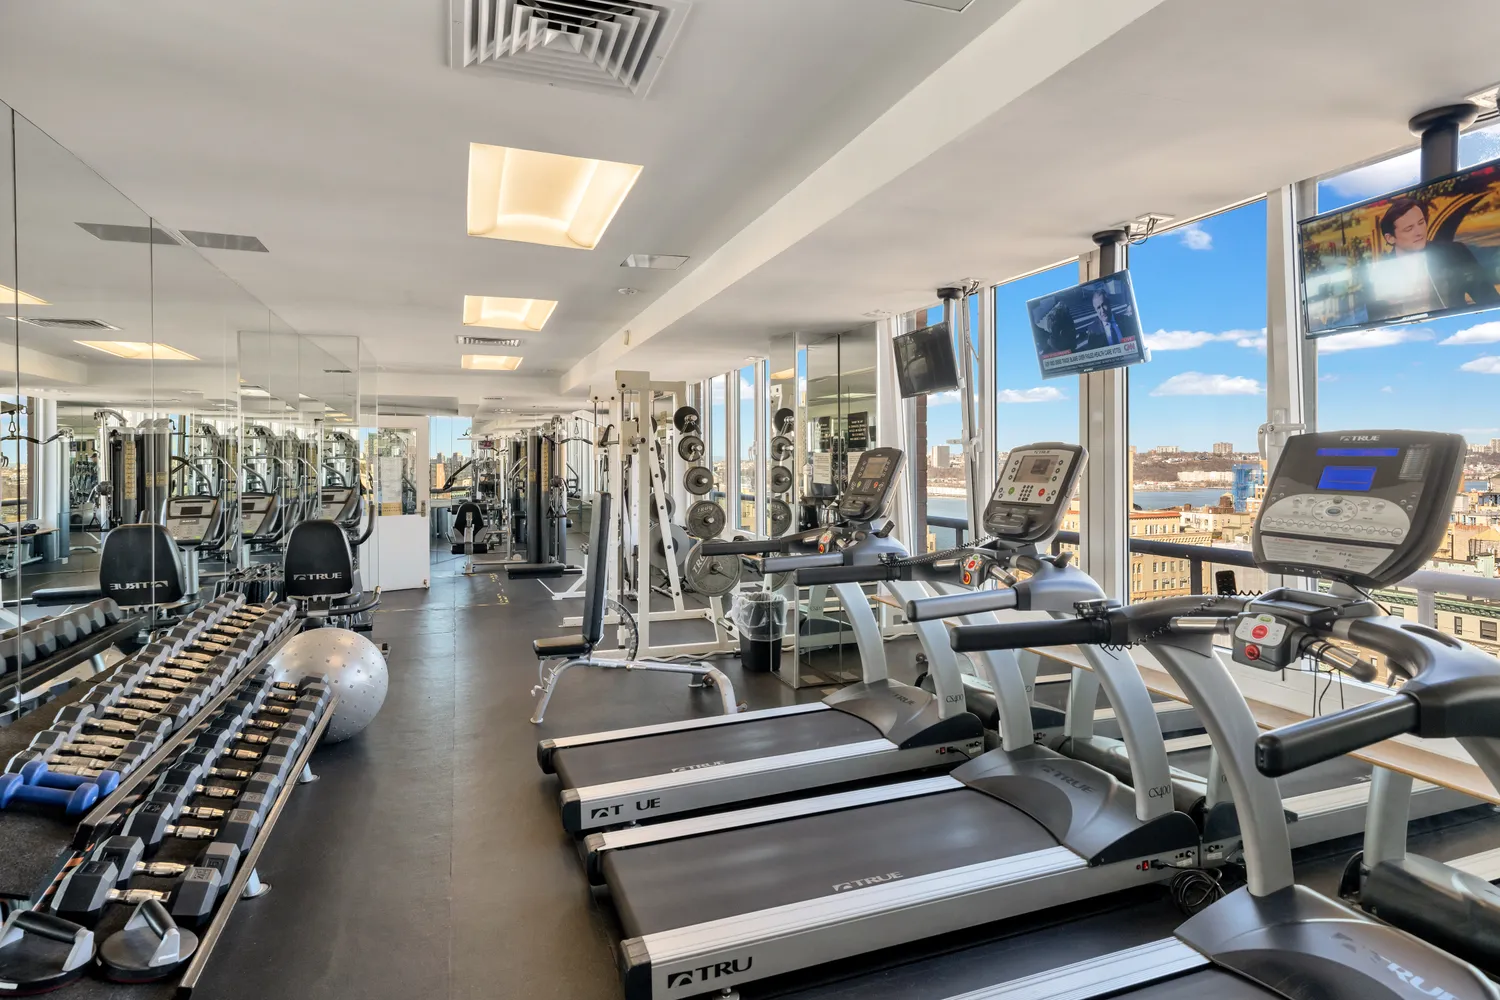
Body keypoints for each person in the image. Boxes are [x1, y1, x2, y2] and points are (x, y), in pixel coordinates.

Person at [1363, 196, 1500, 323]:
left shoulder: (1455, 253)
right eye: (1409, 229)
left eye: (1421, 223)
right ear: (1390, 238)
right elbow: (1378, 323)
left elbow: (1490, 300)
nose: (1419, 232)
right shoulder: (1379, 274)